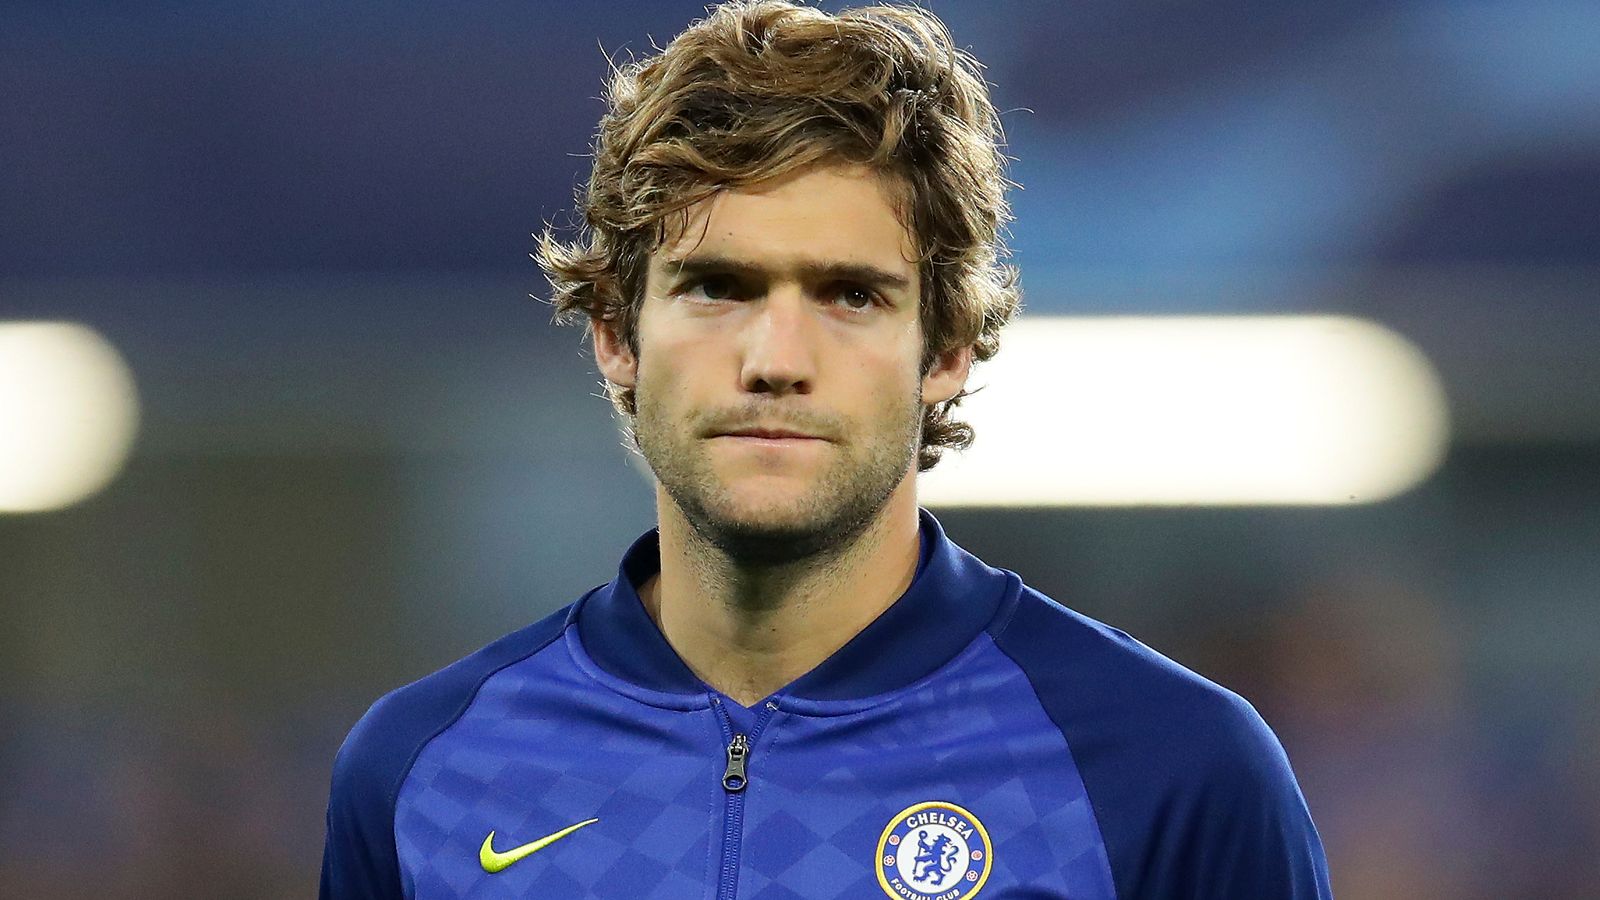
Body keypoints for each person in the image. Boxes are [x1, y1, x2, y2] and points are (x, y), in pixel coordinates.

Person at [319, 2, 1332, 898]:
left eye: (850, 294)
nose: (776, 360)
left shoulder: (1169, 773)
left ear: (945, 349)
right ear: (617, 335)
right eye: (717, 288)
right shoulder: (425, 774)